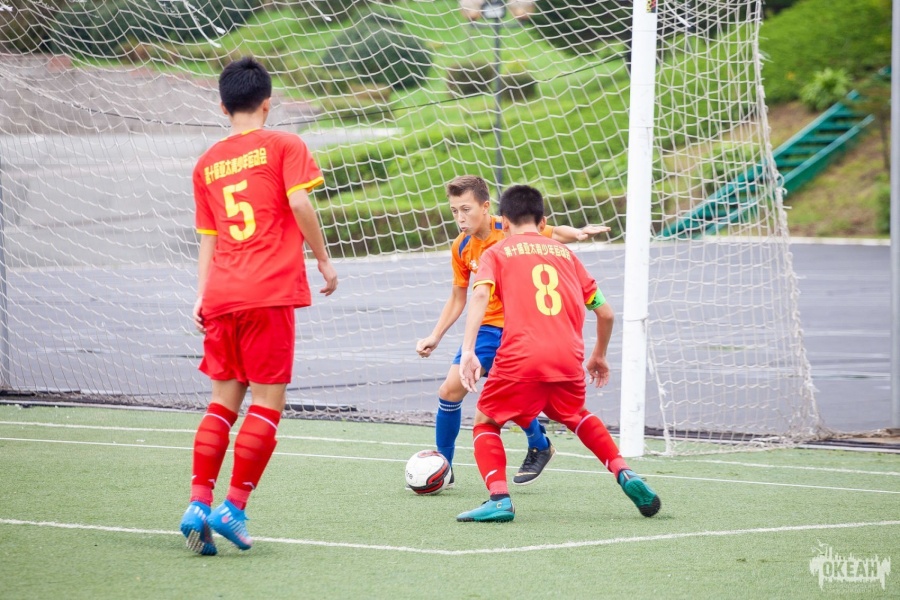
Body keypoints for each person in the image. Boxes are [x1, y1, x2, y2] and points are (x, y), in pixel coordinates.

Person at [179, 56, 338, 555]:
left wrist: (202, 294)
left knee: (221, 403)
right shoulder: (285, 144)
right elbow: (300, 203)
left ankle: (197, 504)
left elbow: (207, 238)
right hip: (267, 293)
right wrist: (323, 260)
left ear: (223, 106)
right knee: (267, 403)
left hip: (222, 294)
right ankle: (234, 506)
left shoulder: (206, 163)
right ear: (268, 104)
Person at [456, 184, 660, 522]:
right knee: (576, 414)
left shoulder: (497, 252)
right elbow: (606, 313)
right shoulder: (567, 256)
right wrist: (599, 355)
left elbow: (479, 296)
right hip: (567, 356)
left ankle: (499, 498)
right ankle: (624, 471)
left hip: (521, 356)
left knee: (486, 421)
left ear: (503, 221)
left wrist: (468, 350)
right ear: (542, 221)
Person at [416, 175, 610, 487]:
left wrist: (576, 233)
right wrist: (435, 335)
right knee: (452, 392)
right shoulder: (461, 246)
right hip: (487, 329)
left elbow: (549, 231)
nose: (460, 217)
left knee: (508, 397)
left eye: (465, 209)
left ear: (485, 207)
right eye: (454, 211)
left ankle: (536, 445)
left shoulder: (508, 228)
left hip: (520, 326)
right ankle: (444, 468)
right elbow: (458, 297)